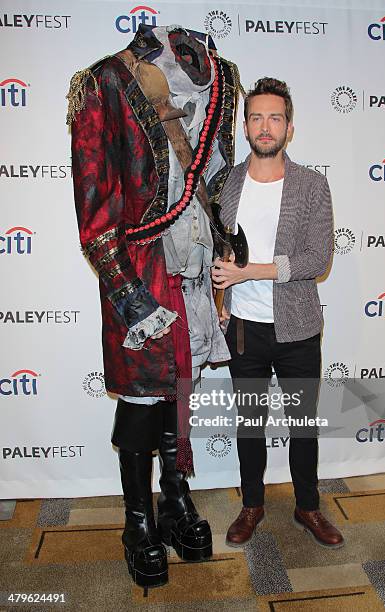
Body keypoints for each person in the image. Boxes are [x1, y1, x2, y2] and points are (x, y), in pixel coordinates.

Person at [68, 24, 240, 588]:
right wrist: (127, 294)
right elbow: (95, 211)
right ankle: (137, 521)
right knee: (143, 400)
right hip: (142, 270)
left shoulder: (221, 78)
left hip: (193, 269)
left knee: (178, 391)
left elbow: (214, 180)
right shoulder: (107, 82)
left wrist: (223, 267)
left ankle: (175, 501)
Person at [212, 77, 344, 549]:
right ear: (245, 126)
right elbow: (215, 251)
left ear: (289, 127)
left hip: (298, 328)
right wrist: (221, 305)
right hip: (243, 329)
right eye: (256, 117)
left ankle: (308, 506)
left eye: (275, 118)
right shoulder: (225, 184)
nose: (265, 127)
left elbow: (316, 259)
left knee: (302, 425)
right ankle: (252, 505)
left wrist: (251, 272)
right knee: (249, 424)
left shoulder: (311, 185)